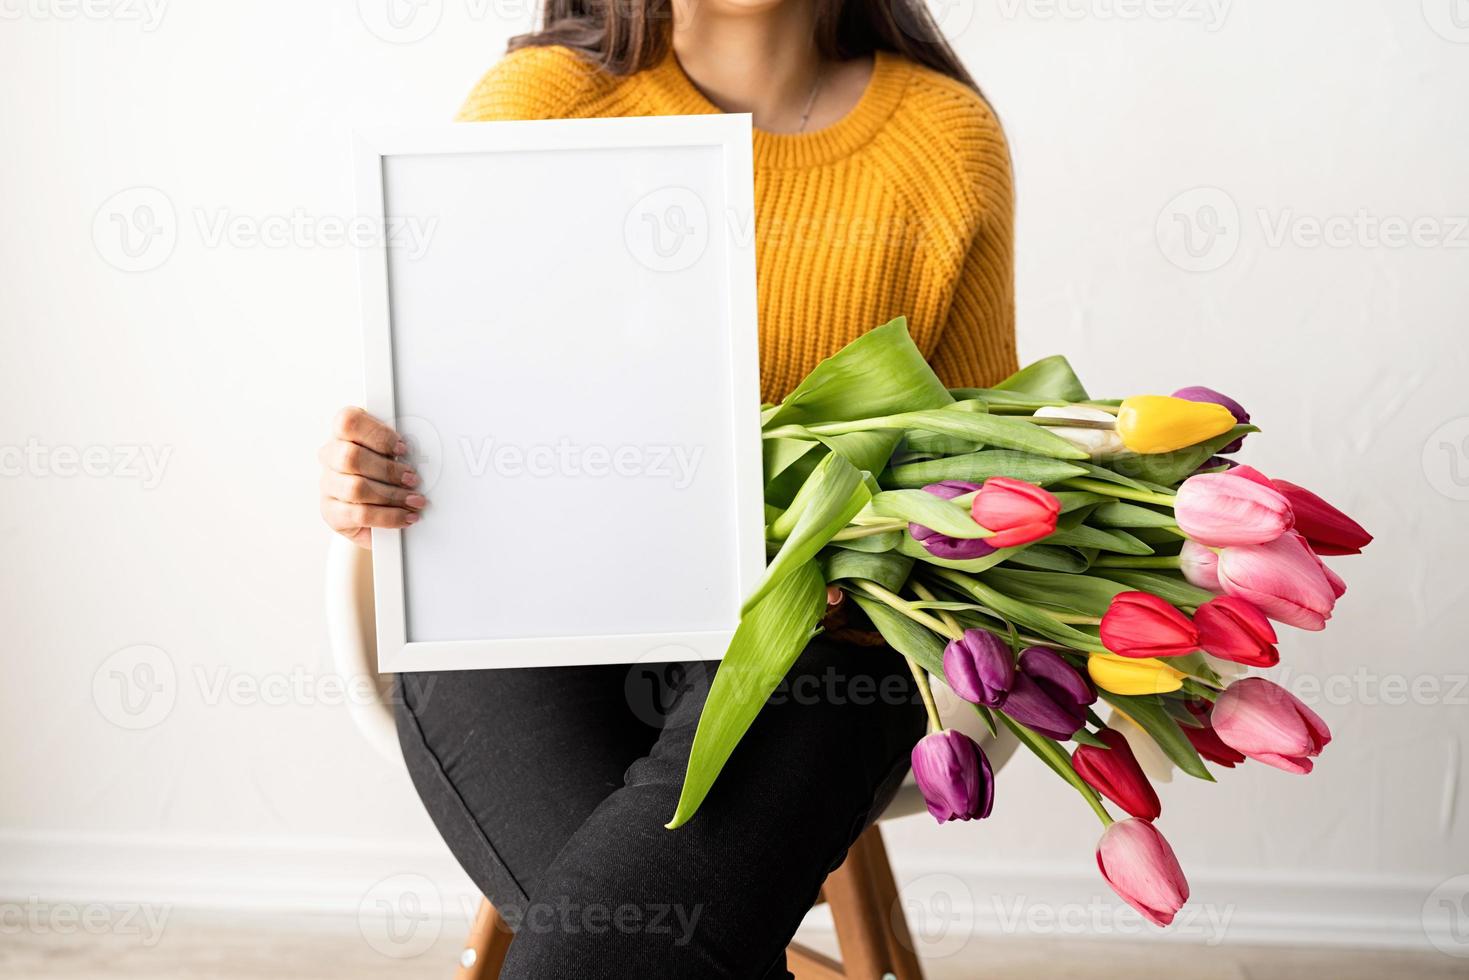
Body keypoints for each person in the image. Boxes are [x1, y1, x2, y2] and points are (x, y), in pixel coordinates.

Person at [318, 1, 1016, 974]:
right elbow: (455, 414)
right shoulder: (540, 103)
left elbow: (986, 474)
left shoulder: (943, 141)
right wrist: (373, 474)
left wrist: (892, 538)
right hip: (525, 632)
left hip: (821, 644)